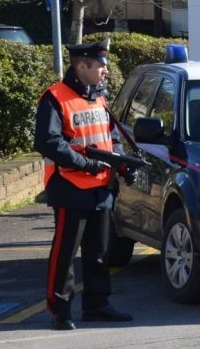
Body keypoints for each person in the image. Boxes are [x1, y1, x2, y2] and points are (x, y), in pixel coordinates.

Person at [34, 38, 134, 330]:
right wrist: (87, 165)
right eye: (101, 66)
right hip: (70, 186)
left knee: (99, 252)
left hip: (100, 186)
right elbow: (48, 142)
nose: (105, 71)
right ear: (82, 66)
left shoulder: (99, 97)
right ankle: (59, 310)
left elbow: (109, 138)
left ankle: (97, 305)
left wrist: (123, 163)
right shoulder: (54, 97)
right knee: (65, 253)